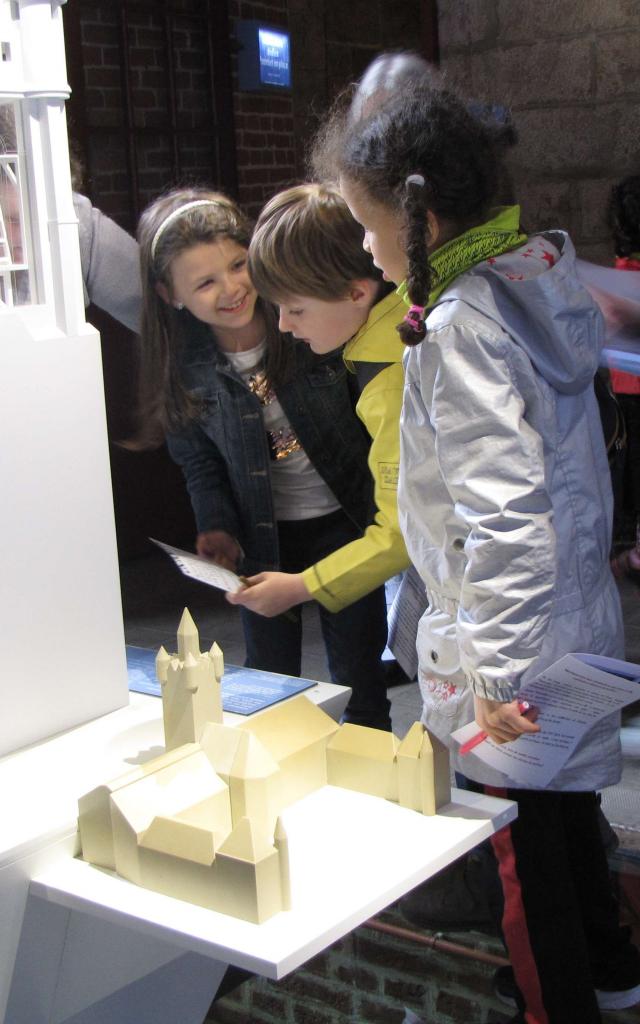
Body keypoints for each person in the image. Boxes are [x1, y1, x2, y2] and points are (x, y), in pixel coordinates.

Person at [321, 71, 640, 1023]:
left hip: (510, 640)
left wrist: (498, 678)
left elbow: (505, 519)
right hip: (569, 615)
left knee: (517, 844)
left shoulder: (462, 329)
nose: (368, 249)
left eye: (369, 228)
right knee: (566, 813)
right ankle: (613, 970)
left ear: (417, 219)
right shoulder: (531, 273)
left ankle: (555, 1002)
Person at [135, 187, 391, 730]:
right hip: (261, 539)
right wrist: (217, 526)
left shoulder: (306, 322)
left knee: (361, 680)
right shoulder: (186, 366)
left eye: (237, 265)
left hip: (349, 524)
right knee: (268, 685)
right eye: (204, 282)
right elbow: (199, 462)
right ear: (170, 293)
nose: (231, 289)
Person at [225, 183, 413, 662]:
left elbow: (399, 534)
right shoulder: (398, 317)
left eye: (296, 308)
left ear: (356, 291)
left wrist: (300, 587)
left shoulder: (389, 382)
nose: (284, 325)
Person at [607, 175, 640, 578]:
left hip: (626, 393)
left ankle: (630, 545)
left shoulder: (620, 274)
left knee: (629, 472)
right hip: (628, 391)